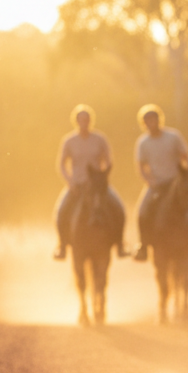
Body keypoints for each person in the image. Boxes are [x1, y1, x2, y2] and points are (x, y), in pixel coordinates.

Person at [133, 104, 188, 261]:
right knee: (141, 211)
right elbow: (140, 167)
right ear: (143, 123)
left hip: (178, 183)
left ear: (159, 120)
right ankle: (143, 246)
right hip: (156, 185)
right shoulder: (143, 142)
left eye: (153, 119)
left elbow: (187, 157)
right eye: (147, 121)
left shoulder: (173, 136)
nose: (150, 123)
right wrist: (149, 181)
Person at [53, 104, 127, 260]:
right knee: (61, 211)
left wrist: (102, 176)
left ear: (91, 121)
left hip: (98, 186)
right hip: (77, 186)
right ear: (76, 121)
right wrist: (69, 182)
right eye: (81, 120)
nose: (84, 123)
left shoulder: (100, 139)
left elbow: (108, 161)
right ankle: (62, 246)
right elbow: (61, 164)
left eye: (87, 120)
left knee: (119, 207)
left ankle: (120, 244)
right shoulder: (69, 141)